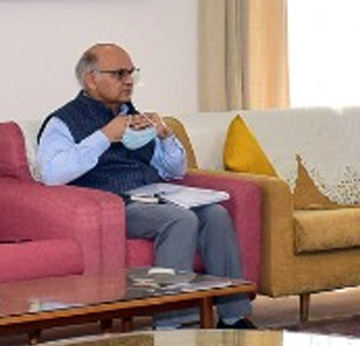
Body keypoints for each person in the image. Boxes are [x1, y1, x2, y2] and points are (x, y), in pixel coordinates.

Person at [38, 43, 255, 329]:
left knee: (215, 215)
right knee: (179, 219)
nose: (128, 81)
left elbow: (174, 171)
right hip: (113, 204)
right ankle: (173, 324)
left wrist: (165, 136)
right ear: (91, 79)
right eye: (119, 74)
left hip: (153, 195)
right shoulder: (62, 122)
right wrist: (105, 136)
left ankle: (234, 316)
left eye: (131, 73)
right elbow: (53, 174)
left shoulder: (134, 116)